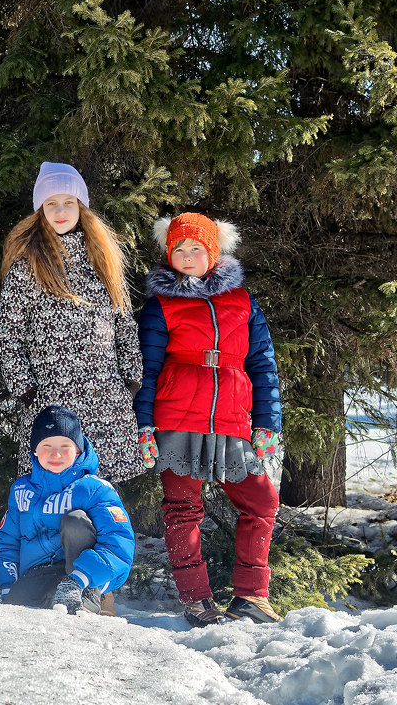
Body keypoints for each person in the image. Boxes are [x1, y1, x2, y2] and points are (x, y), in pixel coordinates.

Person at [134, 212, 283, 626]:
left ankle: (251, 596)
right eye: (178, 249)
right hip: (176, 419)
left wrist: (268, 420)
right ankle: (197, 600)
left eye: (195, 249)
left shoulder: (243, 302)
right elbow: (145, 371)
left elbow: (263, 363)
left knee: (262, 501)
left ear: (213, 252)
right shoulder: (160, 305)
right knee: (183, 508)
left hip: (231, 420)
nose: (186, 256)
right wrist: (144, 424)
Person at [0, 162, 143, 483]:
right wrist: (27, 391)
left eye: (68, 202)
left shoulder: (102, 260)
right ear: (40, 210)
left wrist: (131, 377)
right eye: (51, 203)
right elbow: (7, 337)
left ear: (81, 207)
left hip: (105, 401)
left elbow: (124, 323)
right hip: (52, 406)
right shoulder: (27, 268)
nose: (60, 211)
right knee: (52, 496)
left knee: (100, 499)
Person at [0, 405, 135, 613]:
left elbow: (119, 542)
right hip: (37, 573)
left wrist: (81, 578)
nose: (56, 454)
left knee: (75, 519)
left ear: (78, 449)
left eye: (65, 446)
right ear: (34, 450)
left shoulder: (93, 488)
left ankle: (91, 596)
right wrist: (8, 586)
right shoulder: (21, 490)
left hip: (83, 575)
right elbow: (8, 542)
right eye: (47, 445)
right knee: (16, 610)